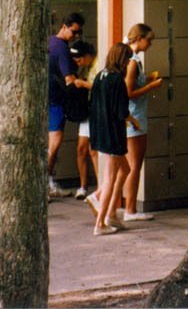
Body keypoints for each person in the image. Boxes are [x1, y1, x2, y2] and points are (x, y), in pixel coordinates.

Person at [88, 42, 138, 235]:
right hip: (114, 134)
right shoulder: (118, 79)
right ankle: (100, 223)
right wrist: (133, 121)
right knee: (109, 178)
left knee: (125, 169)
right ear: (122, 59)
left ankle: (112, 216)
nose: (128, 63)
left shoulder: (101, 75)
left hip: (100, 132)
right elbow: (121, 111)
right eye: (127, 59)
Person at [122, 23, 164, 221]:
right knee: (134, 166)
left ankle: (122, 207)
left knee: (128, 166)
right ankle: (130, 209)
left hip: (131, 117)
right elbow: (128, 93)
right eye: (149, 40)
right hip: (135, 118)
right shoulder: (132, 61)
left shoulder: (127, 57)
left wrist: (146, 78)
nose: (150, 44)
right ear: (138, 38)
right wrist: (152, 86)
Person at [47, 12, 85, 197]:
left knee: (51, 144)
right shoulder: (61, 48)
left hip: (46, 98)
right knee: (54, 143)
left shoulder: (49, 42)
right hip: (56, 101)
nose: (76, 36)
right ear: (63, 26)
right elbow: (69, 79)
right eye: (74, 31)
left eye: (79, 33)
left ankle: (48, 182)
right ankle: (45, 184)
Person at [68, 40, 97, 200]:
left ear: (87, 56)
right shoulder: (85, 67)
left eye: (79, 59)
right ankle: (83, 186)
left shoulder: (99, 64)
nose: (78, 63)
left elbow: (101, 86)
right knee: (81, 149)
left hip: (96, 110)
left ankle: (100, 189)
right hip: (86, 110)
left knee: (94, 151)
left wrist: (82, 84)